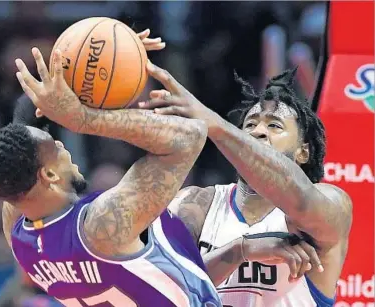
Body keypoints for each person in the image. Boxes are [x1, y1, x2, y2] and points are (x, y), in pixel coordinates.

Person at [0, 31, 222, 306]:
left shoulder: (19, 235)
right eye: (55, 146)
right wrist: (84, 119)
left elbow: (24, 129)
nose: (62, 143)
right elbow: (190, 136)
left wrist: (104, 62)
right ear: (48, 174)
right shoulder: (102, 224)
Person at [138, 68, 352, 306]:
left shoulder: (329, 202)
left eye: (274, 126)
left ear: (303, 151)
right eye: (250, 125)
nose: (257, 132)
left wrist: (215, 124)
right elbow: (159, 291)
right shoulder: (195, 204)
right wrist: (240, 250)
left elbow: (300, 198)